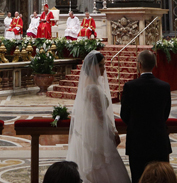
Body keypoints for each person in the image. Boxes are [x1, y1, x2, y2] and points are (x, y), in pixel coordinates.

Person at [67, 51, 129, 182]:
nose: (104, 68)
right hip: (95, 130)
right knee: (100, 164)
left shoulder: (90, 84)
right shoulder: (93, 88)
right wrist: (112, 131)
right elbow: (100, 116)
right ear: (91, 67)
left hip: (90, 128)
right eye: (101, 65)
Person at [120, 50, 171, 183]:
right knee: (161, 178)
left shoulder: (130, 86)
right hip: (159, 140)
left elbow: (124, 115)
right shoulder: (164, 86)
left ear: (139, 64)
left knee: (138, 177)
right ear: (154, 65)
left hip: (137, 141)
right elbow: (165, 113)